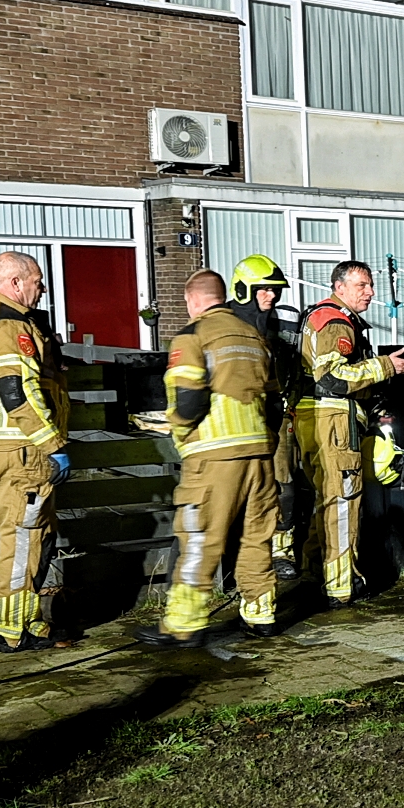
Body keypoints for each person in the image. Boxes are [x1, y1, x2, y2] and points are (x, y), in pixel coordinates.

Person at [138, 270, 280, 647]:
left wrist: (180, 431)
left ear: (193, 300)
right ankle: (261, 614)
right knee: (257, 536)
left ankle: (184, 625)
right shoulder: (255, 337)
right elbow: (275, 400)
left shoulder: (192, 336)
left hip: (215, 455)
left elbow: (188, 401)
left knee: (199, 537)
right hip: (261, 453)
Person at [0, 251, 70, 652]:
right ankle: (10, 631)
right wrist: (53, 445)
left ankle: (17, 622)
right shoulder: (8, 323)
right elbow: (16, 390)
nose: (42, 289)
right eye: (38, 281)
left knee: (29, 536)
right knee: (24, 538)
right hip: (21, 448)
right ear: (15, 282)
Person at [294, 262, 404, 607]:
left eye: (370, 285)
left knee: (324, 499)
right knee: (343, 501)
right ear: (340, 287)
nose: (371, 292)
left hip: (314, 418)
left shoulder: (318, 316)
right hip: (333, 420)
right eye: (362, 285)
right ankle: (341, 586)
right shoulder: (335, 321)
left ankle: (314, 572)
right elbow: (333, 377)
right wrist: (386, 366)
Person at [228, 254, 303, 581]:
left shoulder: (284, 321)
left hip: (277, 419)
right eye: (264, 289)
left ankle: (281, 552)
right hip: (234, 422)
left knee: (283, 487)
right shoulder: (224, 321)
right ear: (244, 289)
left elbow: (299, 365)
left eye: (275, 290)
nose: (271, 296)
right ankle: (239, 555)